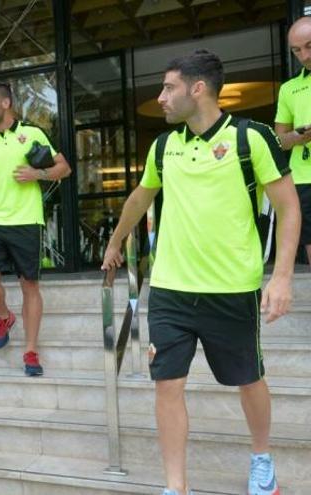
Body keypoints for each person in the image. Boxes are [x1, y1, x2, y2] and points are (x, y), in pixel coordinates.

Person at [101, 50, 299, 495]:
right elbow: (139, 197)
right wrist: (115, 243)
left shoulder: (253, 138)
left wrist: (282, 275)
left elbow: (288, 207)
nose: (162, 98)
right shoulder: (164, 146)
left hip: (231, 289)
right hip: (170, 289)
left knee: (248, 380)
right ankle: (177, 487)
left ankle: (262, 458)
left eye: (169, 88)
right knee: (167, 386)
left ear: (198, 88)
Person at [0, 83, 71, 377]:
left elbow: (63, 168)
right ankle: (4, 316)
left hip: (26, 222)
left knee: (30, 285)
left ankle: (30, 351)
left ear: (5, 104)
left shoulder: (32, 134)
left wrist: (38, 173)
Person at [275, 16, 311, 266]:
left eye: (310, 46)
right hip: (303, 179)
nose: (304, 55)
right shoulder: (288, 89)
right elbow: (279, 140)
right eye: (297, 50)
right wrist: (297, 137)